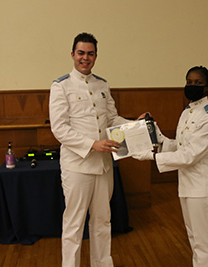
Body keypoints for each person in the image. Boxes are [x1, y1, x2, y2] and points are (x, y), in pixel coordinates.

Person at [49, 32, 145, 267]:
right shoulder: (61, 86)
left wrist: (136, 125)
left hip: (104, 166)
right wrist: (92, 144)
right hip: (77, 166)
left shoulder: (102, 85)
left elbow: (112, 120)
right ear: (72, 54)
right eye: (81, 53)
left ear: (96, 56)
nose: (85, 58)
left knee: (103, 221)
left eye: (90, 53)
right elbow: (59, 128)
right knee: (74, 223)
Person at [133, 66, 208, 267]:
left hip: (203, 186)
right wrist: (153, 130)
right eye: (189, 81)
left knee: (204, 241)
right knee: (194, 239)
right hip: (188, 185)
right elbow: (178, 145)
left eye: (197, 83)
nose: (191, 86)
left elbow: (191, 155)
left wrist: (151, 157)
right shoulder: (188, 111)